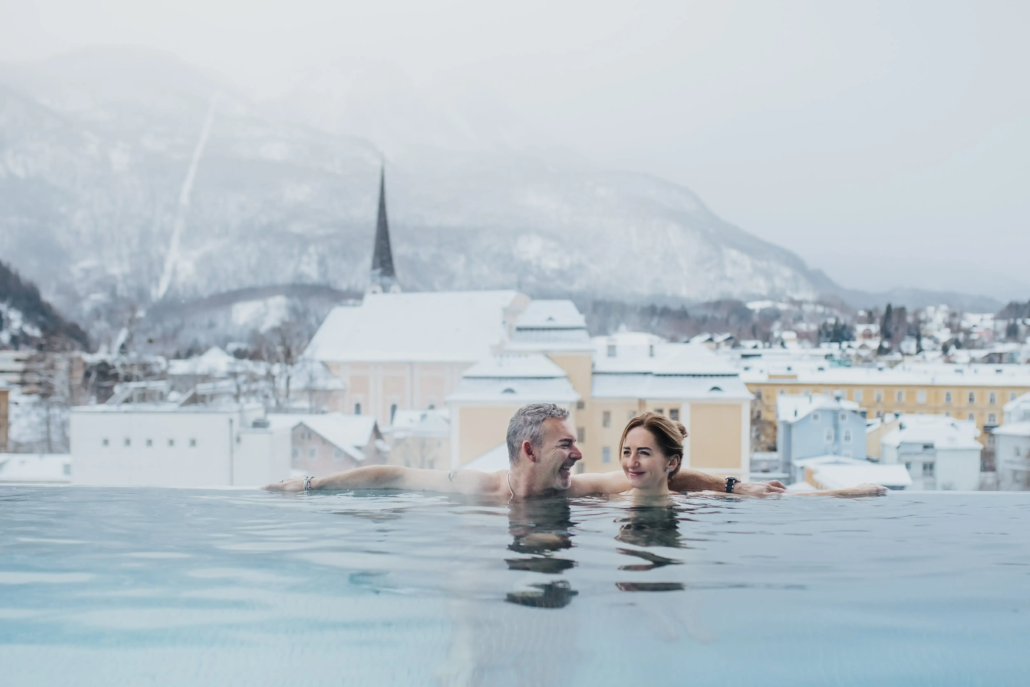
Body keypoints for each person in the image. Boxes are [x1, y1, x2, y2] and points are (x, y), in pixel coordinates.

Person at [266, 403, 847, 498]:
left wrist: (732, 486)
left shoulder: (583, 493)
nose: (578, 453)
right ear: (529, 448)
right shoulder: (480, 489)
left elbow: (670, 480)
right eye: (567, 443)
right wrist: (313, 486)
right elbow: (391, 476)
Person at [618, 411, 886, 499]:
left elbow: (783, 501)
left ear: (672, 462)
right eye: (627, 452)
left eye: (643, 453)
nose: (631, 462)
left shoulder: (693, 505)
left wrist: (847, 492)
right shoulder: (606, 499)